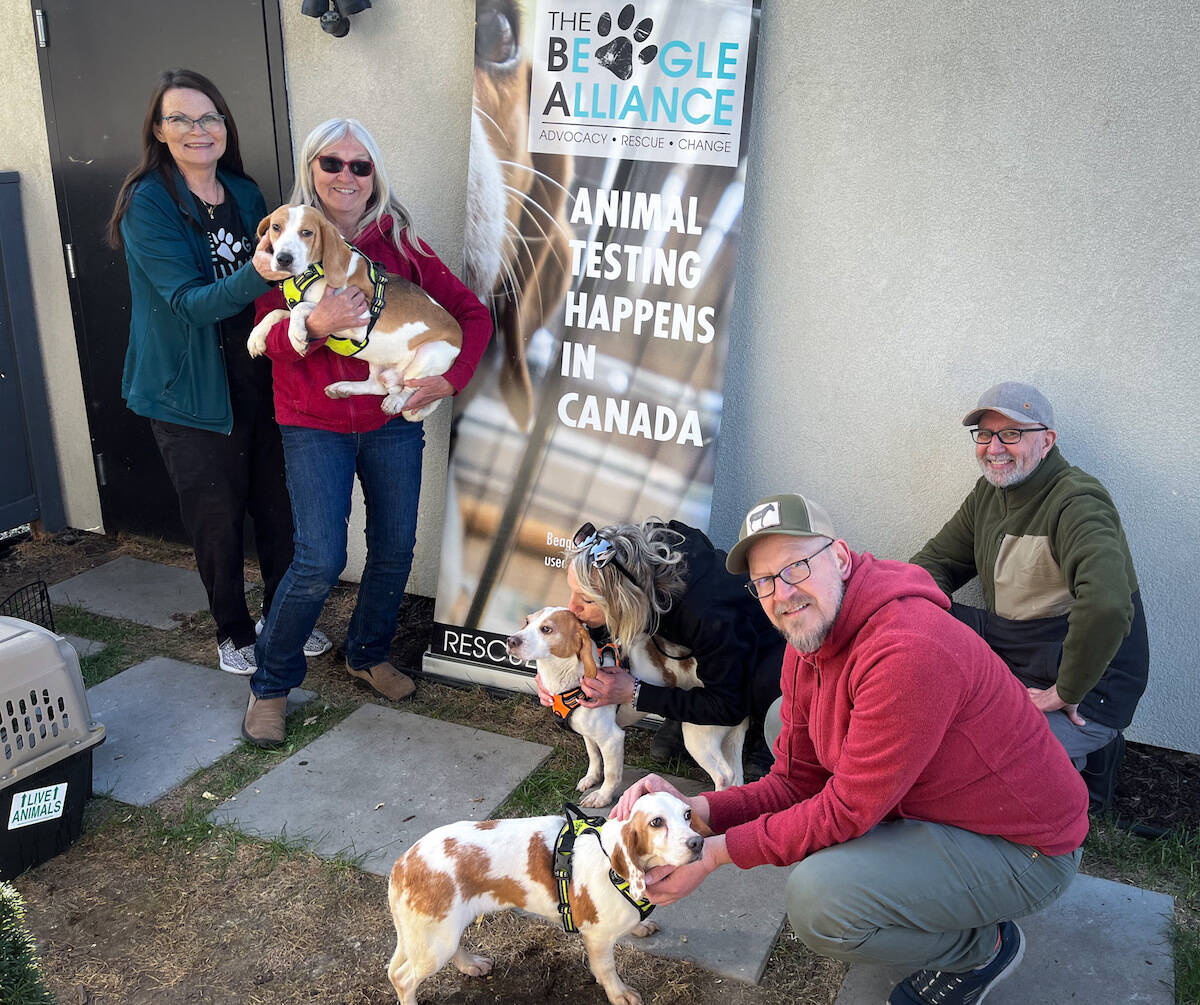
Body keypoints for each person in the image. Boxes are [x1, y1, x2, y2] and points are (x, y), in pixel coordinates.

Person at [613, 492, 1089, 1005]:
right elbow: (795, 782)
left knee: (823, 901)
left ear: (839, 557)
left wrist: (710, 856)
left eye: (796, 567)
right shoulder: (808, 643)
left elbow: (846, 811)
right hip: (946, 808)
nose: (783, 594)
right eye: (765, 582)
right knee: (783, 724)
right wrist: (691, 812)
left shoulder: (907, 650)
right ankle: (934, 889)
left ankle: (981, 947)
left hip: (1026, 849)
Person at [242, 118, 492, 748]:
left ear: (374, 174)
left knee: (394, 547)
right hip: (311, 422)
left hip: (388, 420)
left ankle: (368, 652)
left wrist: (450, 379)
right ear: (312, 168)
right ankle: (271, 684)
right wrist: (318, 322)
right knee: (320, 557)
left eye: (361, 166)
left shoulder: (401, 243)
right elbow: (270, 337)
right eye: (333, 164)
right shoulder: (285, 239)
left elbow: (469, 314)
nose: (346, 177)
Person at [108, 68, 329, 677]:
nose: (197, 130)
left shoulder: (245, 194)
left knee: (278, 509)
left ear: (226, 126)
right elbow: (187, 302)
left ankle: (285, 618)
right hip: (189, 391)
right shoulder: (148, 202)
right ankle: (232, 630)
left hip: (258, 375)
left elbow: (290, 277)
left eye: (209, 117)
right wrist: (259, 276)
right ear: (159, 129)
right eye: (180, 118)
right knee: (217, 518)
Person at [909, 382, 1149, 772]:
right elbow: (936, 562)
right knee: (915, 605)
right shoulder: (990, 494)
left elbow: (1107, 604)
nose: (995, 448)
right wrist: (919, 621)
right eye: (985, 434)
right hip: (1016, 658)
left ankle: (1078, 761)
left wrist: (1068, 690)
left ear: (1047, 440)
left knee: (952, 759)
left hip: (1086, 694)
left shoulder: (1076, 502)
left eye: (1012, 434)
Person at [540, 519, 785, 777]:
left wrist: (635, 693)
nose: (572, 608)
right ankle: (681, 712)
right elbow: (604, 619)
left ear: (628, 599)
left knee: (759, 691)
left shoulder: (705, 616)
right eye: (573, 592)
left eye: (587, 600)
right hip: (699, 640)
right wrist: (553, 662)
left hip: (766, 647)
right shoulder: (632, 563)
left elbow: (727, 706)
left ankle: (763, 734)